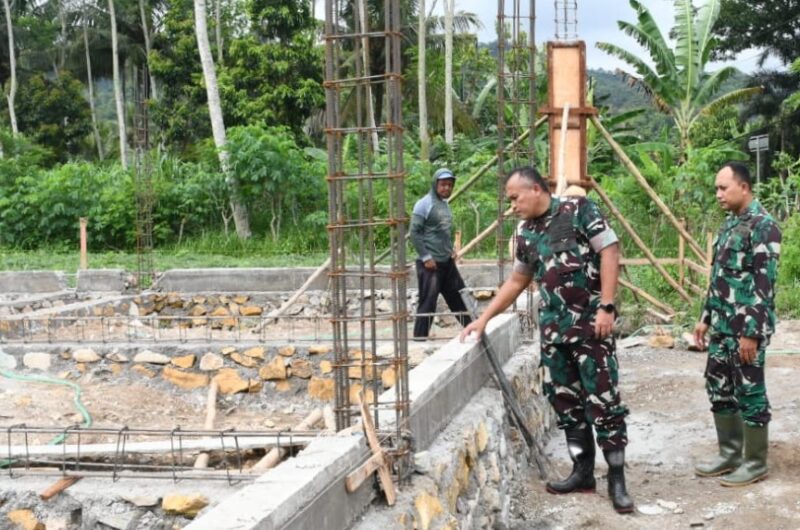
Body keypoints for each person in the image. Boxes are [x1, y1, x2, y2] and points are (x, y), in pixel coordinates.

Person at [460, 166, 634, 514]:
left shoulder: (578, 210)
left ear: (537, 189)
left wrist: (608, 305)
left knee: (604, 403)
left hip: (591, 330)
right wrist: (482, 318)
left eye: (515, 197)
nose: (511, 206)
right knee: (566, 405)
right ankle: (582, 472)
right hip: (554, 335)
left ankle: (617, 479)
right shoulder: (524, 232)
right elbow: (517, 281)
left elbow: (610, 251)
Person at [693, 162, 781, 487]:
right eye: (716, 188)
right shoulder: (730, 225)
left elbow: (764, 284)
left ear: (743, 187)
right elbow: (719, 277)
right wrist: (705, 318)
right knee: (718, 387)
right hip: (722, 326)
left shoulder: (764, 226)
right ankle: (729, 453)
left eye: (723, 188)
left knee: (750, 391)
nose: (718, 194)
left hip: (746, 331)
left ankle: (755, 462)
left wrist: (752, 333)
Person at [410, 167, 472, 340]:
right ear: (435, 184)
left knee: (459, 297)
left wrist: (449, 249)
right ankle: (420, 339)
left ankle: (474, 329)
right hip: (430, 264)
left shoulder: (444, 204)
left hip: (446, 261)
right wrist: (426, 257)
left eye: (450, 185)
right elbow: (415, 233)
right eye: (443, 184)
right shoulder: (424, 204)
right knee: (428, 301)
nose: (447, 188)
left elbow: (441, 231)